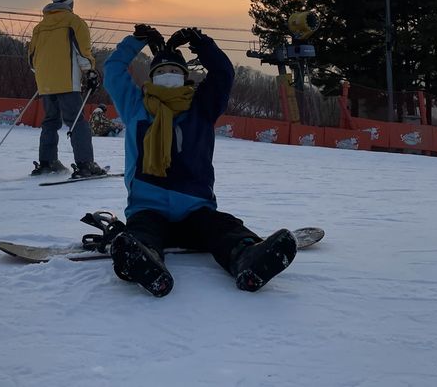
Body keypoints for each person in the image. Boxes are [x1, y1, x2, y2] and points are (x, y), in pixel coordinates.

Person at [103, 24, 297, 297]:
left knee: (222, 227)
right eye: (161, 72)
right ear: (152, 77)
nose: (168, 76)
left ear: (185, 77)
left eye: (174, 72)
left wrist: (202, 44)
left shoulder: (201, 108)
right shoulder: (137, 107)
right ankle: (144, 260)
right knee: (142, 233)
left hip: (195, 209)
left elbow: (222, 74)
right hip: (148, 208)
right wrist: (135, 42)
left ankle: (249, 258)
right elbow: (113, 72)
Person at [27, 0, 106, 178]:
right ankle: (85, 164)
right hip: (67, 81)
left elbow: (32, 59)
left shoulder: (39, 27)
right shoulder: (74, 22)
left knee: (50, 121)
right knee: (77, 122)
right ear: (71, 1)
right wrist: (90, 72)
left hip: (45, 82)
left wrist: (44, 74)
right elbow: (82, 51)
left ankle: (47, 161)